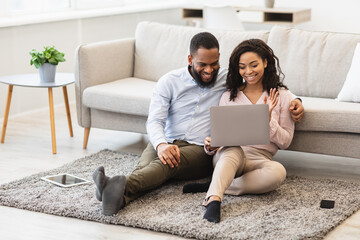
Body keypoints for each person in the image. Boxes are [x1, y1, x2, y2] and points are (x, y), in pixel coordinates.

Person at [92, 33, 304, 216]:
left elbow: (272, 91)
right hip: (170, 139)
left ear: (219, 59)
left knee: (164, 166)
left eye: (214, 64)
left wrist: (295, 102)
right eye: (202, 64)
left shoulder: (232, 81)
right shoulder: (173, 82)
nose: (209, 70)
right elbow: (155, 121)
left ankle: (115, 187)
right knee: (147, 169)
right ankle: (117, 198)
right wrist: (161, 144)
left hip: (197, 148)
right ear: (190, 59)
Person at [184, 39, 295, 223]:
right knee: (233, 149)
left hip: (260, 158)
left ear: (265, 62)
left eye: (254, 65)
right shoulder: (229, 96)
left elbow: (285, 142)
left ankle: (217, 185)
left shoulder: (281, 96)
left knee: (278, 172)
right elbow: (219, 136)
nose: (248, 72)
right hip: (229, 155)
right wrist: (211, 146)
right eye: (242, 67)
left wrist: (268, 121)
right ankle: (214, 200)